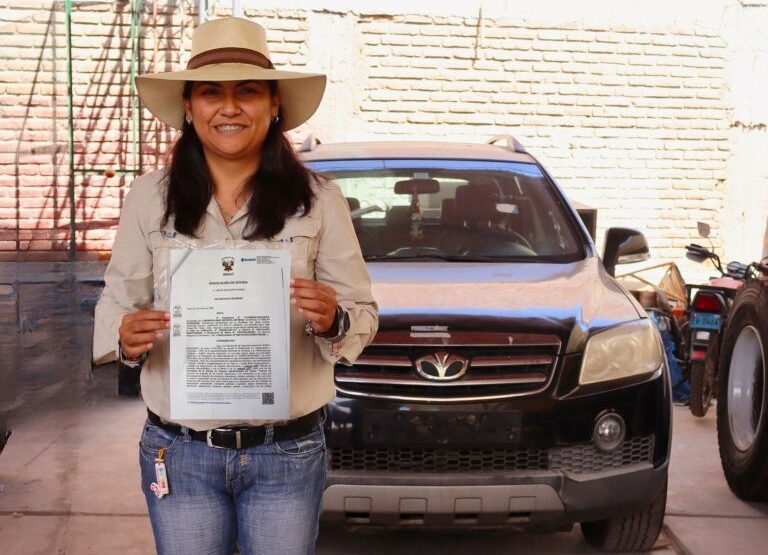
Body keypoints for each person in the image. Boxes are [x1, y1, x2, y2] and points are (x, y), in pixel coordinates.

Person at [92, 16, 378, 555]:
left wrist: (333, 317)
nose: (229, 107)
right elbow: (116, 305)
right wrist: (126, 336)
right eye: (210, 93)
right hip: (179, 450)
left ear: (275, 106)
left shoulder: (319, 199)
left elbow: (363, 310)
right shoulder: (148, 198)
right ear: (189, 108)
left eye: (247, 91)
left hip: (286, 453)